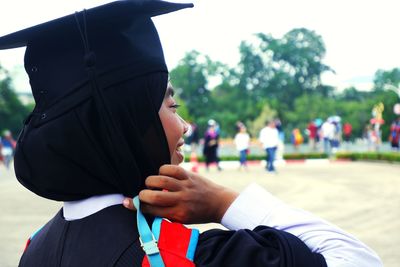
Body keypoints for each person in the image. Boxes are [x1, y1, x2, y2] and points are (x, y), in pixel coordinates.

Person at [0, 1, 382, 267]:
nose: (184, 127)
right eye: (171, 105)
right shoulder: (190, 255)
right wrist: (223, 203)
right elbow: (357, 259)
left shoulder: (36, 248)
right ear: (130, 121)